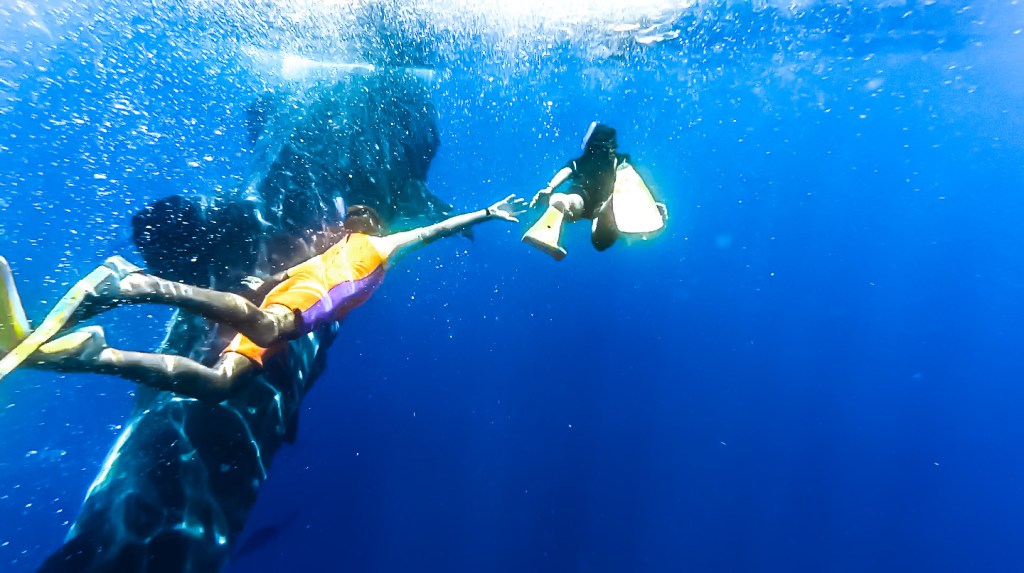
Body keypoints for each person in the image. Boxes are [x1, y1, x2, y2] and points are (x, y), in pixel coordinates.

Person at [0, 195, 526, 402]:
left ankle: (99, 356)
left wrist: (483, 214)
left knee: (220, 385)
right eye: (355, 214)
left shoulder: (370, 246)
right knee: (266, 325)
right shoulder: (368, 245)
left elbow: (430, 230)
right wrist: (484, 214)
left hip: (293, 315)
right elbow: (438, 228)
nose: (358, 213)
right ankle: (131, 283)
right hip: (292, 312)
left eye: (363, 213)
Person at [523, 122, 666, 261]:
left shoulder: (581, 161)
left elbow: (566, 171)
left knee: (572, 202)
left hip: (581, 195)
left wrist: (550, 188)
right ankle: (607, 206)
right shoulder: (620, 161)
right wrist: (648, 203)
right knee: (600, 240)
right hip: (600, 203)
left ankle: (559, 205)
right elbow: (631, 179)